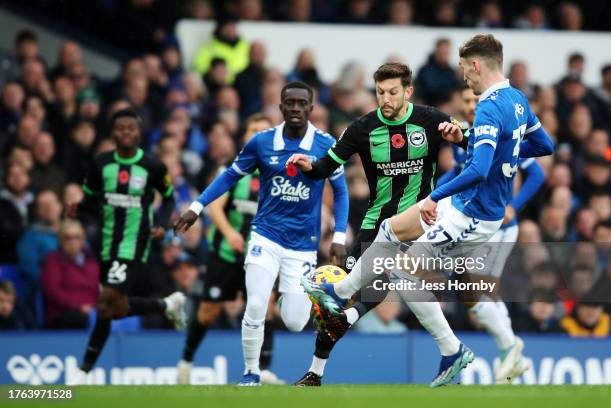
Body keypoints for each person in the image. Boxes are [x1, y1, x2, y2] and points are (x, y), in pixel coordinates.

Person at [300, 34, 554, 387]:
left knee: (407, 274)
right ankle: (340, 292)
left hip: (476, 213)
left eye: (465, 69)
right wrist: (503, 151)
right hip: (460, 204)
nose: (464, 76)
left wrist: (436, 196)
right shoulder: (516, 100)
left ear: (477, 65)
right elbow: (544, 144)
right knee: (390, 230)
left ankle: (454, 350)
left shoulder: (489, 107)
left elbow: (478, 170)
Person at [286, 61, 470, 386]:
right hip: (376, 223)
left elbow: (472, 144)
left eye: (393, 92)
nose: (385, 98)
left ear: (408, 91)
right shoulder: (362, 128)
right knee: (343, 304)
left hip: (419, 223)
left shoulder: (431, 119)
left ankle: (448, 347)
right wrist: (307, 166)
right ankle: (316, 371)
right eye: (380, 92)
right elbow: (325, 166)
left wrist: (460, 136)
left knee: (385, 278)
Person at [173, 81, 349, 386]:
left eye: (301, 103)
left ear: (311, 107)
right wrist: (197, 206)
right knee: (255, 305)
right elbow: (229, 176)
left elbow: (342, 191)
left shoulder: (325, 145)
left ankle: (289, 294)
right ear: (280, 107)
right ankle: (251, 372)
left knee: (295, 322)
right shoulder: (261, 142)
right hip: (265, 237)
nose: (295, 108)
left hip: (302, 245)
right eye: (289, 103)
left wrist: (338, 238)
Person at [66, 108, 185, 384]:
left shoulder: (153, 166)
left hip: (135, 242)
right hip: (107, 243)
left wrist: (163, 223)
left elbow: (168, 198)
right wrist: (78, 208)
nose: (126, 133)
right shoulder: (101, 163)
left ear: (139, 131)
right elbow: (92, 198)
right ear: (113, 133)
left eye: (131, 128)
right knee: (114, 308)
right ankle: (166, 304)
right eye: (121, 128)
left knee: (105, 302)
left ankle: (83, 372)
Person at [437, 85, 546, 383]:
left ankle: (510, 349)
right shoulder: (465, 135)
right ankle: (510, 349)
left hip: (499, 226)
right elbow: (461, 171)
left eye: (475, 100)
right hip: (474, 220)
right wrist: (432, 193)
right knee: (469, 291)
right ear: (461, 105)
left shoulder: (500, 131)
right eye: (467, 101)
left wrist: (516, 205)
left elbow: (537, 174)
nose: (472, 105)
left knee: (484, 289)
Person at [176, 114, 284, 385]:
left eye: (263, 131)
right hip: (225, 253)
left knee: (264, 307)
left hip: (259, 257)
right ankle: (186, 362)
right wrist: (230, 233)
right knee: (208, 310)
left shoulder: (279, 172)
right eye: (253, 130)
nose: (258, 135)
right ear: (246, 135)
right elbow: (215, 207)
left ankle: (265, 367)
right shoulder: (233, 168)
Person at [41, 220, 99, 329]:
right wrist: (79, 306)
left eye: (77, 237)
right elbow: (52, 291)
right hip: (62, 312)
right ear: (61, 240)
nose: (73, 241)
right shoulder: (53, 260)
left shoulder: (91, 260)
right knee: (84, 320)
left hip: (90, 309)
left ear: (83, 239)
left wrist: (94, 307)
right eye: (68, 237)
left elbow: (97, 289)